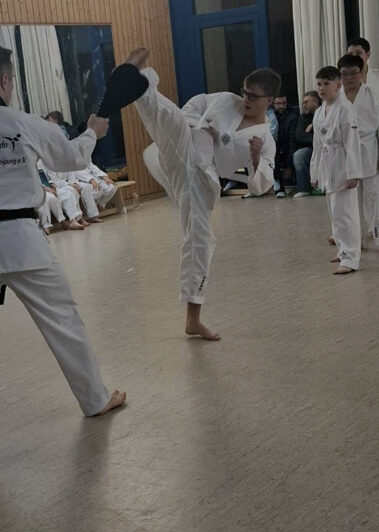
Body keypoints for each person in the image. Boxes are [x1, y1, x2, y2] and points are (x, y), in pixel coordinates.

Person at [119, 47, 280, 340]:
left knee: (200, 242)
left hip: (200, 182)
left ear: (269, 100)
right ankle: (139, 81)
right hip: (185, 148)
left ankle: (193, 320)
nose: (245, 99)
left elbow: (261, 186)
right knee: (173, 120)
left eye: (253, 96)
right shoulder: (226, 100)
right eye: (244, 92)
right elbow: (196, 104)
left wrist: (255, 159)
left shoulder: (265, 139)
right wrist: (197, 125)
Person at [0, 46, 126, 415]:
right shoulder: (22, 123)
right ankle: (95, 400)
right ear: (5, 80)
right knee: (62, 321)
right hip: (21, 241)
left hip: (21, 235)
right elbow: (71, 157)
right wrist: (92, 132)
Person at [310, 65, 362, 275]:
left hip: (343, 164)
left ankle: (351, 257)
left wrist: (354, 173)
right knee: (334, 212)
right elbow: (317, 145)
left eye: (326, 84)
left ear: (338, 85)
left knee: (345, 213)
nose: (322, 88)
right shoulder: (319, 111)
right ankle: (342, 250)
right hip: (327, 163)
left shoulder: (345, 108)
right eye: (319, 84)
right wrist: (314, 172)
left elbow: (352, 143)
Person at [337, 53, 379, 247]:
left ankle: (376, 233)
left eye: (353, 73)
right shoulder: (336, 98)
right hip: (344, 150)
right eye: (344, 74)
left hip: (369, 146)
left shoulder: (372, 94)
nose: (349, 78)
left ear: (361, 73)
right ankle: (356, 238)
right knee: (350, 197)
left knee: (373, 194)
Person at [292, 91, 322, 197]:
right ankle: (303, 188)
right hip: (311, 147)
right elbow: (299, 136)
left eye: (306, 102)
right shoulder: (303, 118)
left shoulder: (326, 113)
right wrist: (316, 138)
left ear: (315, 102)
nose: (303, 105)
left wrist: (311, 130)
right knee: (299, 155)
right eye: (303, 103)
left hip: (326, 147)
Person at [273, 94, 298, 197]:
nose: (282, 106)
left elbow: (292, 141)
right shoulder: (269, 115)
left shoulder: (292, 117)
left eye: (284, 103)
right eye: (278, 103)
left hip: (286, 148)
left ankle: (280, 186)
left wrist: (289, 166)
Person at [347, 37, 379, 102]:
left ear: (368, 54)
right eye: (350, 54)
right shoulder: (341, 80)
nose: (354, 57)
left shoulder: (377, 75)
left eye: (358, 53)